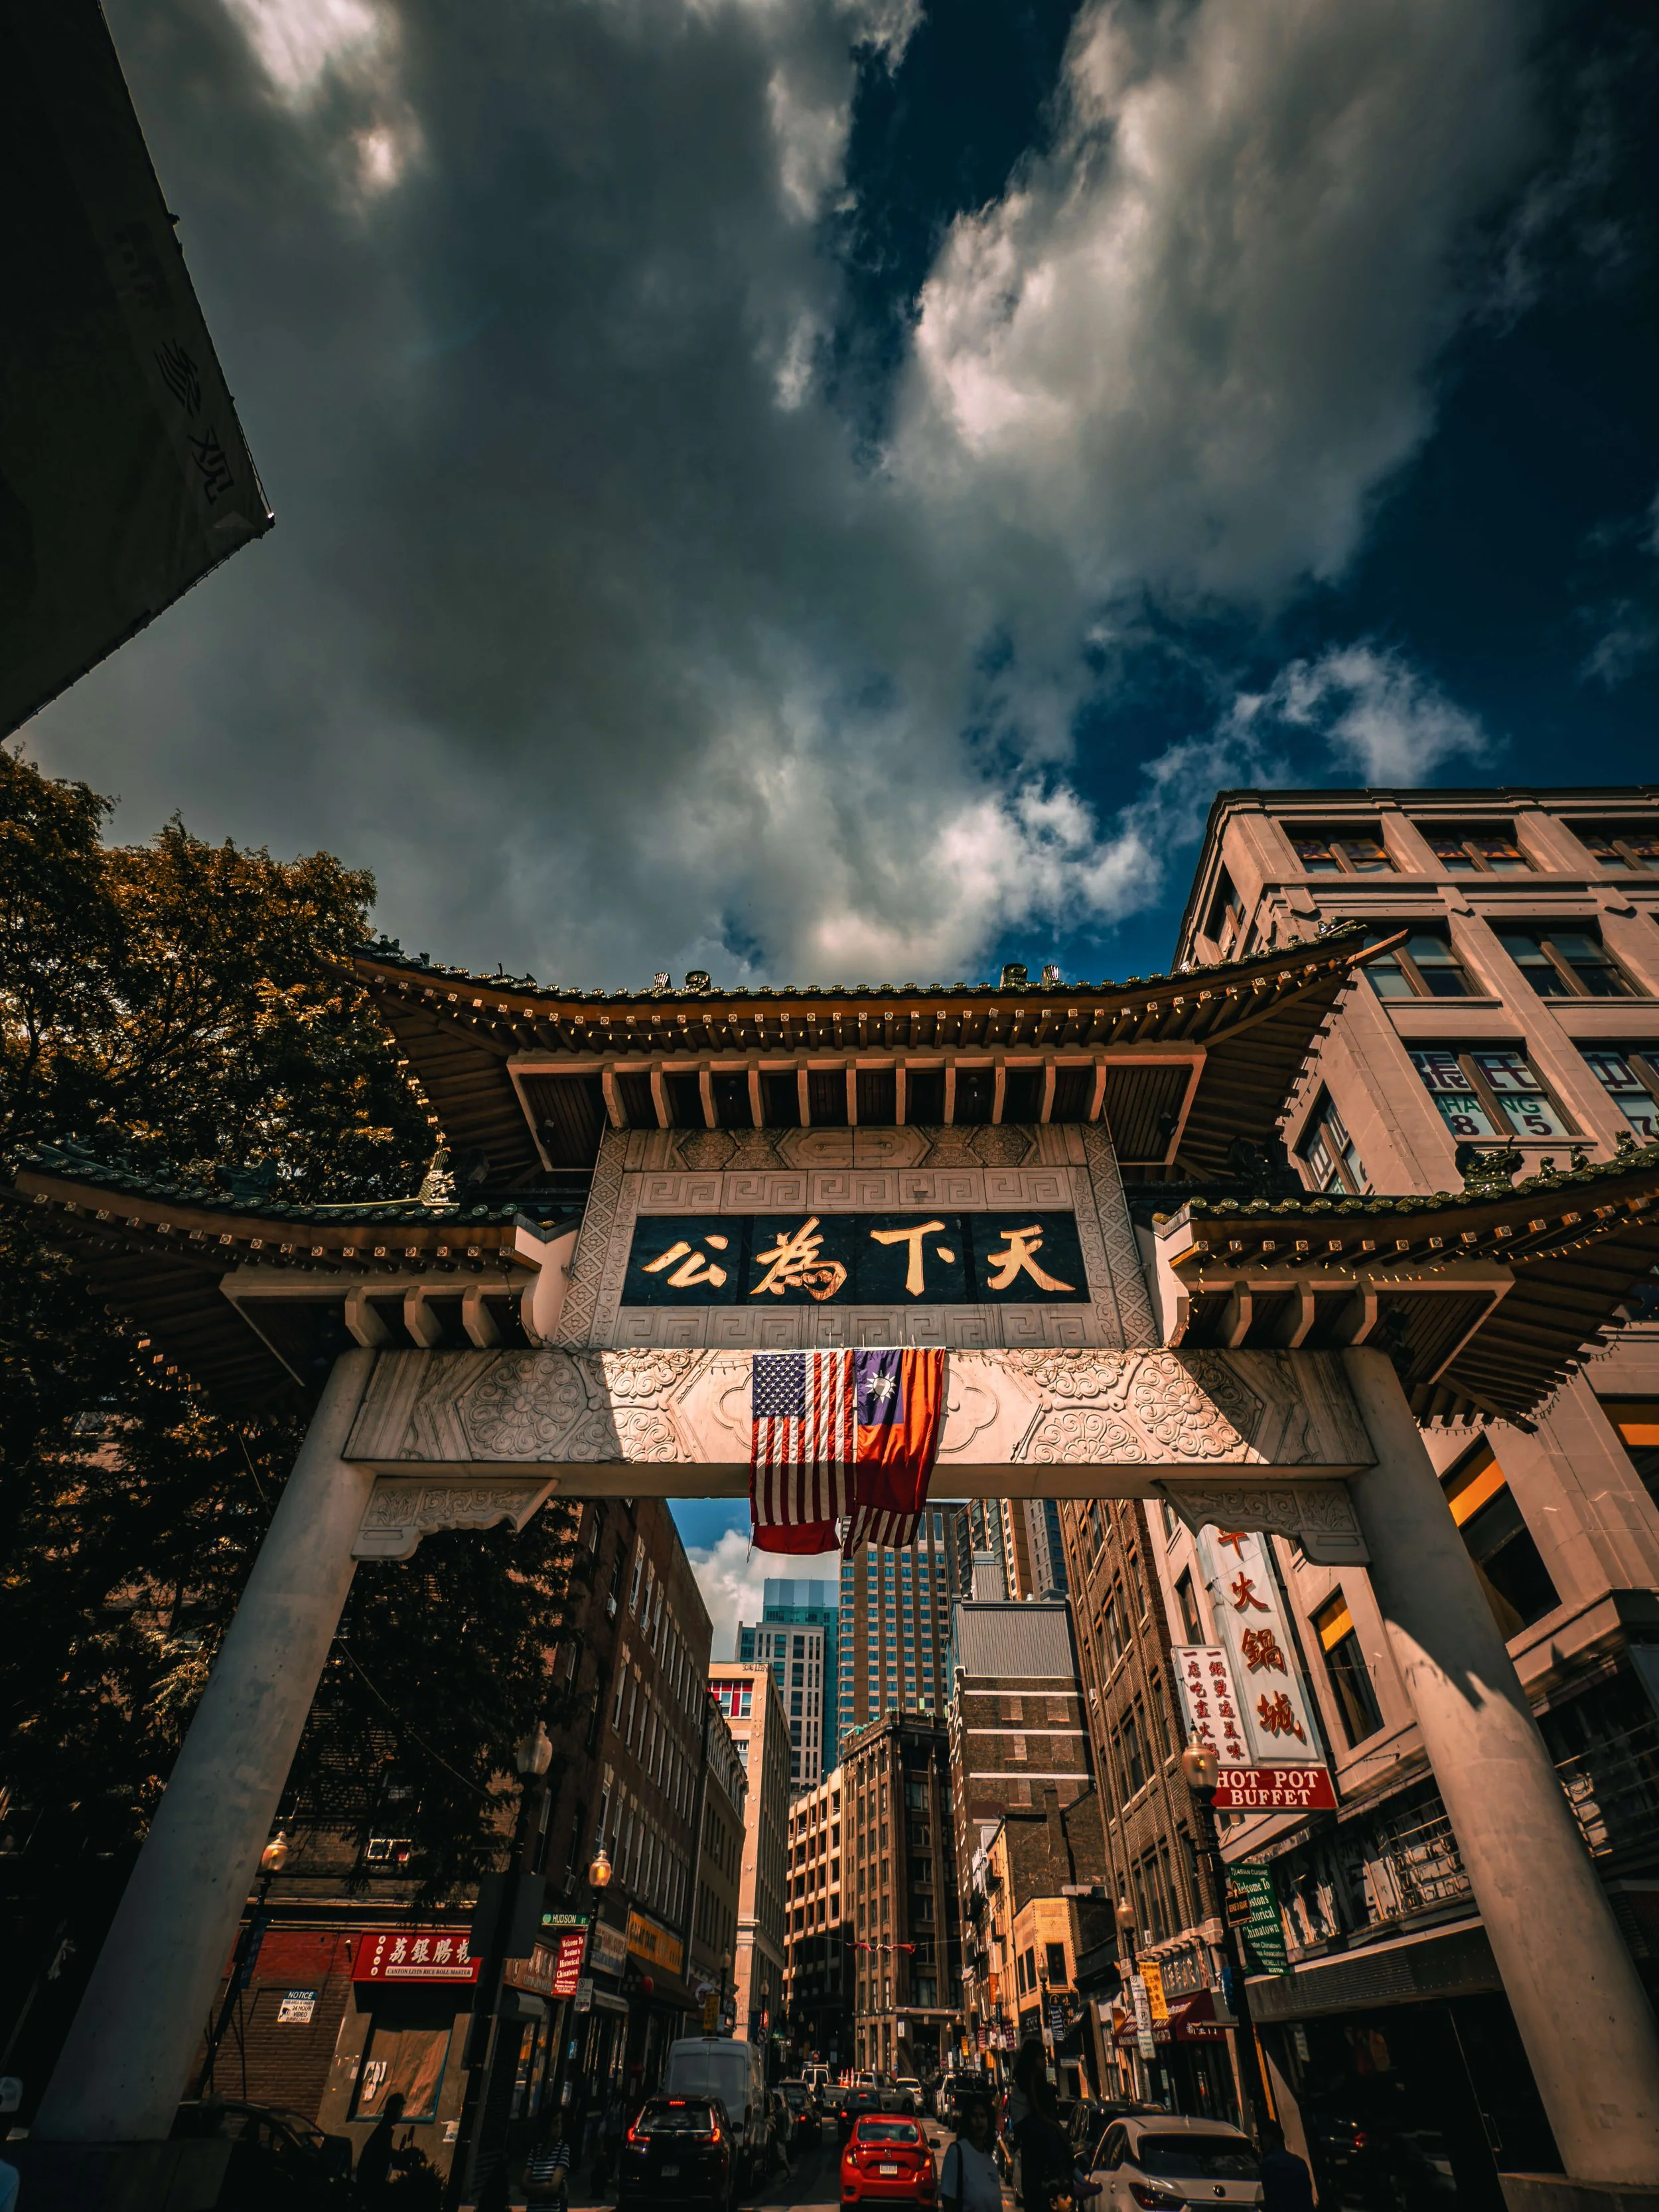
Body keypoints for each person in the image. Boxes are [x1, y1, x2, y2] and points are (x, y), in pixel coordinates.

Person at [941, 2097, 1005, 2212]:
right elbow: (949, 2203)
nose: (979, 2120)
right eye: (974, 2115)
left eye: (983, 2116)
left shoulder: (991, 2162)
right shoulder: (957, 2153)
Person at [356, 2089, 407, 2203]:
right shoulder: (384, 2132)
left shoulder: (383, 2130)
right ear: (395, 2111)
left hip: (371, 2185)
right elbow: (384, 2155)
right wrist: (403, 2158)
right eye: (400, 2110)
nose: (401, 2114)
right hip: (371, 2187)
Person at [1258, 2122, 1315, 2212]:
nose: (1262, 2142)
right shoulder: (1300, 2162)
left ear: (1271, 2139)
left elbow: (1271, 2199)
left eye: (1264, 2137)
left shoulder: (1269, 2164)